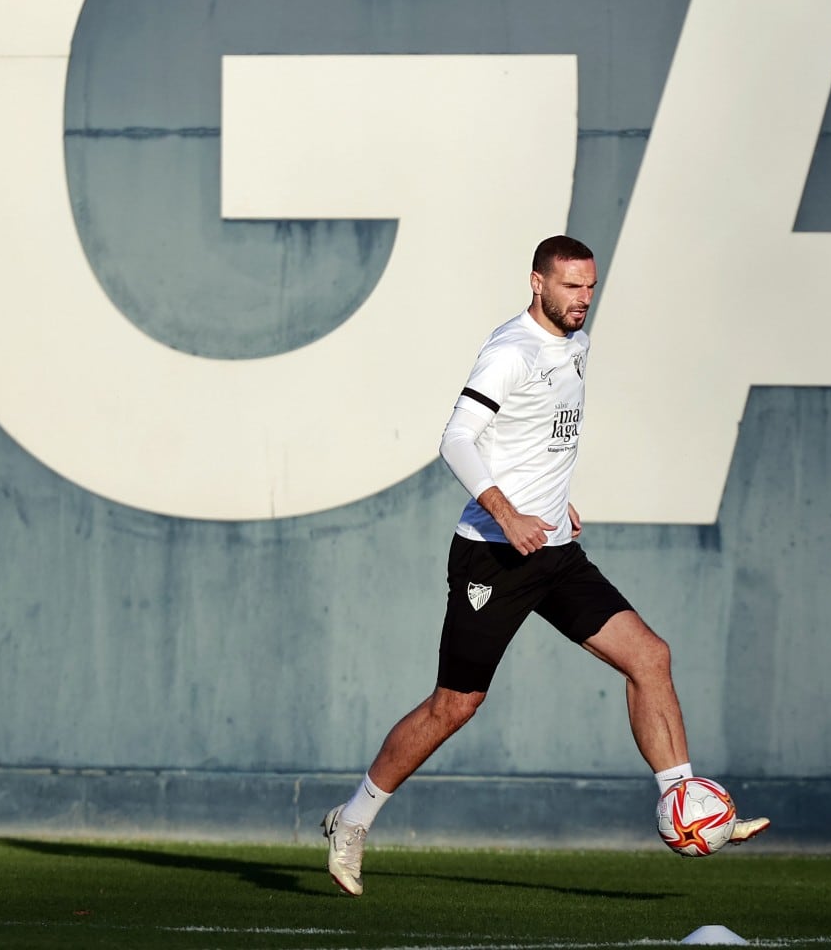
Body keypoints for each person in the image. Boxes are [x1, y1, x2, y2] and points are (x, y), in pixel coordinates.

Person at [320, 235, 769, 895]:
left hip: (554, 551)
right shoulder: (511, 353)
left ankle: (685, 802)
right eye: (570, 287)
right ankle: (352, 820)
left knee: (649, 656)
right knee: (455, 705)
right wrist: (508, 513)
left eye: (590, 287)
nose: (582, 299)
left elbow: (536, 440)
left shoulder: (575, 341)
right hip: (494, 557)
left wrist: (556, 503)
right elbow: (456, 440)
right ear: (537, 283)